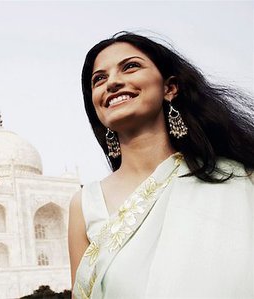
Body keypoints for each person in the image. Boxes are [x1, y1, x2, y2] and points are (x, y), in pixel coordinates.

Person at [68, 32, 254, 299]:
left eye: (130, 66)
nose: (113, 83)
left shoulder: (238, 178)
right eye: (99, 79)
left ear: (170, 88)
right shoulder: (85, 204)